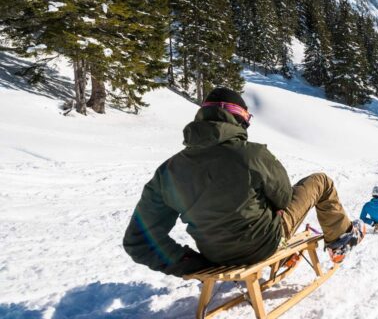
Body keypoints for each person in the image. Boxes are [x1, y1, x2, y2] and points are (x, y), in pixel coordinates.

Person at [122, 87, 365, 277]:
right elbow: (282, 199)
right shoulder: (252, 155)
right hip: (264, 244)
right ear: (239, 119)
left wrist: (192, 263)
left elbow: (138, 241)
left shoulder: (168, 171)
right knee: (320, 181)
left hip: (214, 256)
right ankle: (340, 239)